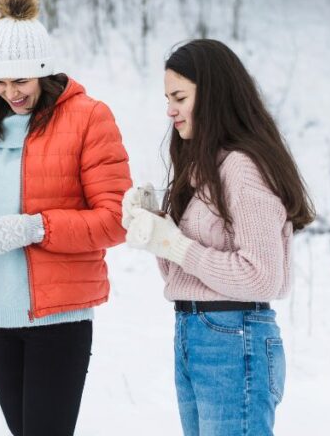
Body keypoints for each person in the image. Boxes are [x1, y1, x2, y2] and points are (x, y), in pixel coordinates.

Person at [0, 0, 132, 436]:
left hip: (57, 318)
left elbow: (116, 220)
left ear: (45, 71)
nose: (11, 92)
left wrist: (34, 228)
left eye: (21, 80)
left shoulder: (89, 117)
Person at [122, 39, 315, 436]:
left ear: (211, 95)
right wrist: (155, 229)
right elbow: (187, 273)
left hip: (234, 338)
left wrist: (178, 245)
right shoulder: (202, 166)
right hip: (196, 333)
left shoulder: (243, 169)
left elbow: (263, 277)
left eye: (179, 97)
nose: (170, 110)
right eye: (167, 98)